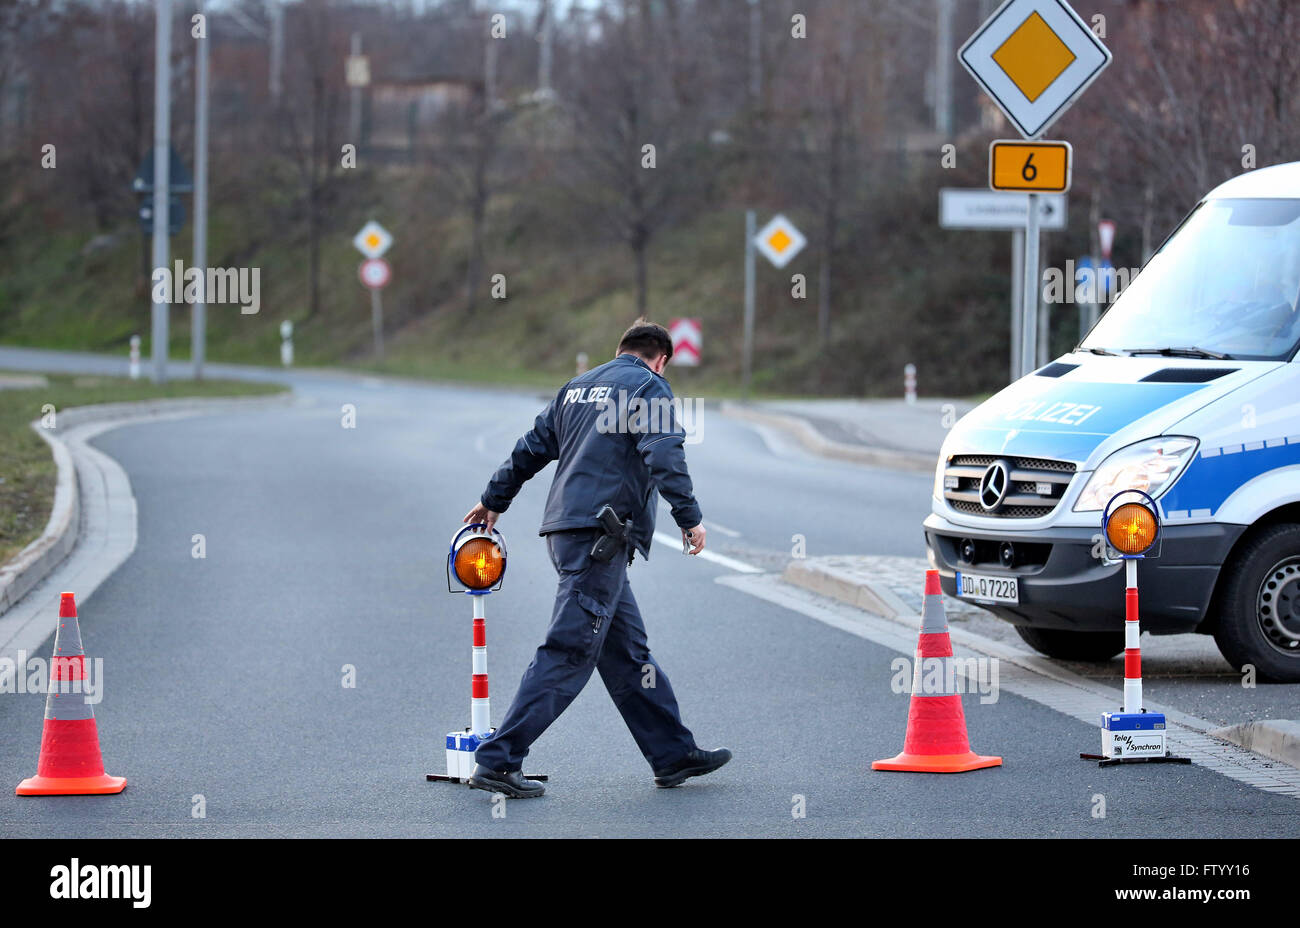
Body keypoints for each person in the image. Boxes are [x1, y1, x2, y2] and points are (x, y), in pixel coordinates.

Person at [462, 320, 731, 798]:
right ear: (662, 357)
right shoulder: (651, 387)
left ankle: (673, 754)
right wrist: (690, 518)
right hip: (599, 540)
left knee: (628, 654)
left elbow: (529, 449)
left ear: (619, 349)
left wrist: (493, 499)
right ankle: (499, 761)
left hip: (567, 532)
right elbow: (664, 454)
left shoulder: (577, 388)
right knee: (570, 649)